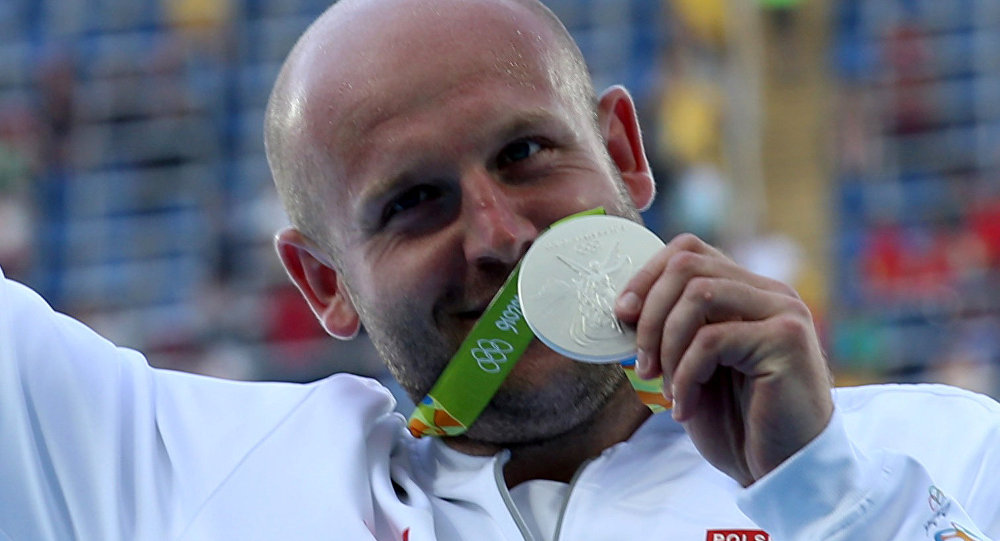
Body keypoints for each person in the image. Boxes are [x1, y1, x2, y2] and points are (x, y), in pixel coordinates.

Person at [1, 0, 998, 539]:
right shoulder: (178, 480)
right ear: (322, 284)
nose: (498, 235)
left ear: (622, 149)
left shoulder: (945, 457)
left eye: (526, 154)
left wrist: (824, 497)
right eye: (413, 202)